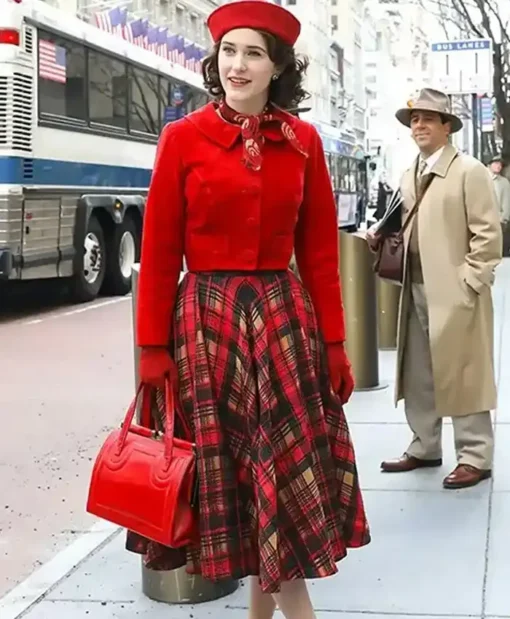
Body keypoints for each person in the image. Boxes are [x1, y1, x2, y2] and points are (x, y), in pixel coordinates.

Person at [126, 1, 371, 618]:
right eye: (229, 51)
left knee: (282, 478)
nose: (237, 65)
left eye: (253, 53)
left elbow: (319, 256)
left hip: (283, 323)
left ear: (277, 67)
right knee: (236, 479)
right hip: (206, 325)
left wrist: (335, 344)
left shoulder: (304, 142)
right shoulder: (182, 139)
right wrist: (152, 350)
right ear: (216, 59)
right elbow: (157, 253)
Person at [369, 88, 502, 489]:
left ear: (448, 127)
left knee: (464, 370)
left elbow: (488, 234)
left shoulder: (470, 171)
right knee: (420, 372)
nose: (420, 126)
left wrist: (472, 281)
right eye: (414, 120)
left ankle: (475, 455)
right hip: (415, 286)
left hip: (456, 292)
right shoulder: (411, 172)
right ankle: (425, 445)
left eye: (429, 119)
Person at [487, 155, 510, 256]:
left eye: (500, 164)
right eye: (496, 163)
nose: (499, 166)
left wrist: (503, 219)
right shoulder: (481, 178)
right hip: (482, 220)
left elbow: (506, 203)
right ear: (489, 165)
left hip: (498, 221)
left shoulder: (503, 182)